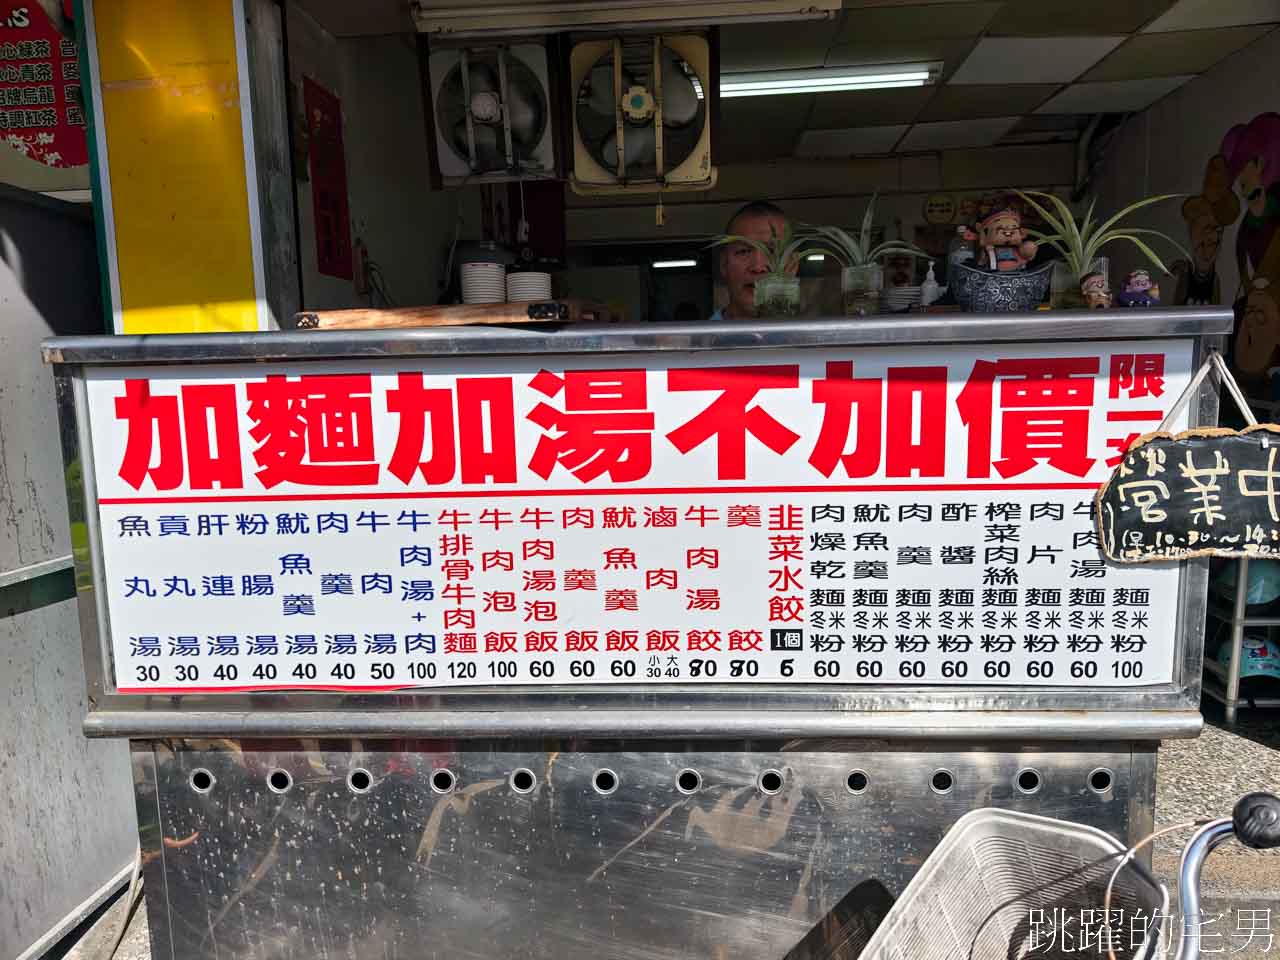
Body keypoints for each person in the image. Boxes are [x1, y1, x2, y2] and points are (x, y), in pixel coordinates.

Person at [710, 200, 793, 322]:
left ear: (793, 265)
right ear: (724, 264)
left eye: (772, 252)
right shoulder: (701, 340)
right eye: (743, 251)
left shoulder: (813, 340)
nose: (758, 267)